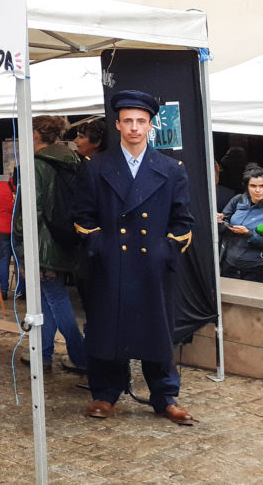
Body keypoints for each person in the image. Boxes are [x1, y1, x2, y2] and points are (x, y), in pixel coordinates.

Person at [73, 90, 194, 425]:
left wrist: (163, 251)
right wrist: (102, 248)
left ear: (150, 126)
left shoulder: (171, 169)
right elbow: (83, 216)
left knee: (157, 331)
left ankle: (165, 396)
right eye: (128, 121)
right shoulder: (96, 167)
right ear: (118, 124)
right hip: (111, 263)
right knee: (107, 327)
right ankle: (105, 393)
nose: (134, 128)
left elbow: (183, 220)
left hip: (152, 266)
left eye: (141, 121)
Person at [13, 116, 86, 374]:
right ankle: (43, 353)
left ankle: (81, 355)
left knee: (55, 298)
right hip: (64, 239)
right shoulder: (72, 159)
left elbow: (29, 211)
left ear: (35, 134)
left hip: (42, 244)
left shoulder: (35, 165)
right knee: (46, 299)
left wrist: (20, 248)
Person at [218, 165, 263, 282]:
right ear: (247, 187)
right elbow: (224, 220)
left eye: (262, 186)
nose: (258, 190)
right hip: (230, 262)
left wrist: (248, 234)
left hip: (256, 266)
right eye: (253, 186)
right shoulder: (238, 200)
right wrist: (220, 221)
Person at [0, 170, 20, 298]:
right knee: (19, 261)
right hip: (18, 232)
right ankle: (22, 291)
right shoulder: (24, 189)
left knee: (3, 261)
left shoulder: (0, 187)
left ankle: (3, 291)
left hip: (2, 230)